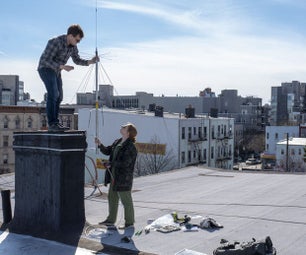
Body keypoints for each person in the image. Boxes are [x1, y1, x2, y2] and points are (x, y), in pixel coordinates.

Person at [38, 24, 99, 131]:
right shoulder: (55, 42)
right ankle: (52, 124)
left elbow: (77, 60)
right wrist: (62, 66)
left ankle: (55, 123)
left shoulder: (73, 47)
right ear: (70, 36)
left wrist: (91, 61)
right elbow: (45, 61)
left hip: (56, 71)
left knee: (60, 96)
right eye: (77, 40)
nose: (77, 42)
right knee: (53, 93)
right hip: (45, 69)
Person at [95, 122, 138, 229]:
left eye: (124, 127)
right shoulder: (117, 141)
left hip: (123, 178)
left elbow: (126, 163)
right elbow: (108, 151)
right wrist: (100, 145)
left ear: (128, 133)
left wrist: (111, 164)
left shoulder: (130, 146)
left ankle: (129, 222)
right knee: (112, 197)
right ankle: (110, 220)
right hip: (114, 176)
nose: (121, 127)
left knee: (126, 200)